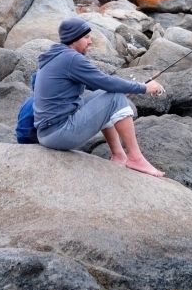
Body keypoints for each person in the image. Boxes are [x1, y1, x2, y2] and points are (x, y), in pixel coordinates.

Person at [33, 16, 165, 177]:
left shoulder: (58, 56)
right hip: (58, 134)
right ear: (73, 40)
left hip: (48, 133)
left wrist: (128, 90)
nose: (90, 41)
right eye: (86, 37)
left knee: (108, 95)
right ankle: (135, 158)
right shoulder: (71, 59)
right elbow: (106, 81)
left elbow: (99, 86)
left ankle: (119, 155)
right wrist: (143, 88)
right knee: (114, 96)